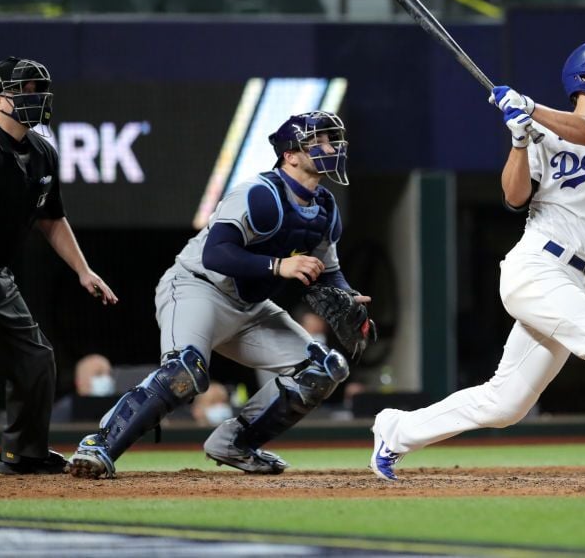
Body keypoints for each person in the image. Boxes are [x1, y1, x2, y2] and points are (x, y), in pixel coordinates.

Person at [370, 39, 585, 484]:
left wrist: (531, 110)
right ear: (583, 75)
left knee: (506, 403)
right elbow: (514, 197)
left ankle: (396, 429)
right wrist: (518, 140)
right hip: (536, 268)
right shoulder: (540, 134)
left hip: (579, 280)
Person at [68, 111, 369, 479]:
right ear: (290, 155)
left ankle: (235, 443)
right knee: (185, 372)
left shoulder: (325, 208)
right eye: (319, 141)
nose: (331, 147)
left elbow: (330, 270)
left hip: (250, 307)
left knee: (324, 369)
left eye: (332, 139)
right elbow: (216, 253)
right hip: (198, 287)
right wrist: (278, 266)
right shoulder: (259, 194)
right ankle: (100, 444)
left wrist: (348, 297)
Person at [0, 56, 118, 475]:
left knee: (36, 360)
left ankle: (23, 454)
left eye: (38, 90)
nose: (34, 98)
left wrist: (83, 270)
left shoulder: (42, 152)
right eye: (22, 90)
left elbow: (51, 218)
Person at [50, 353, 117, 423]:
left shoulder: (118, 407)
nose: (107, 379)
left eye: (109, 374)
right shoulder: (65, 409)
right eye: (98, 373)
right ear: (79, 382)